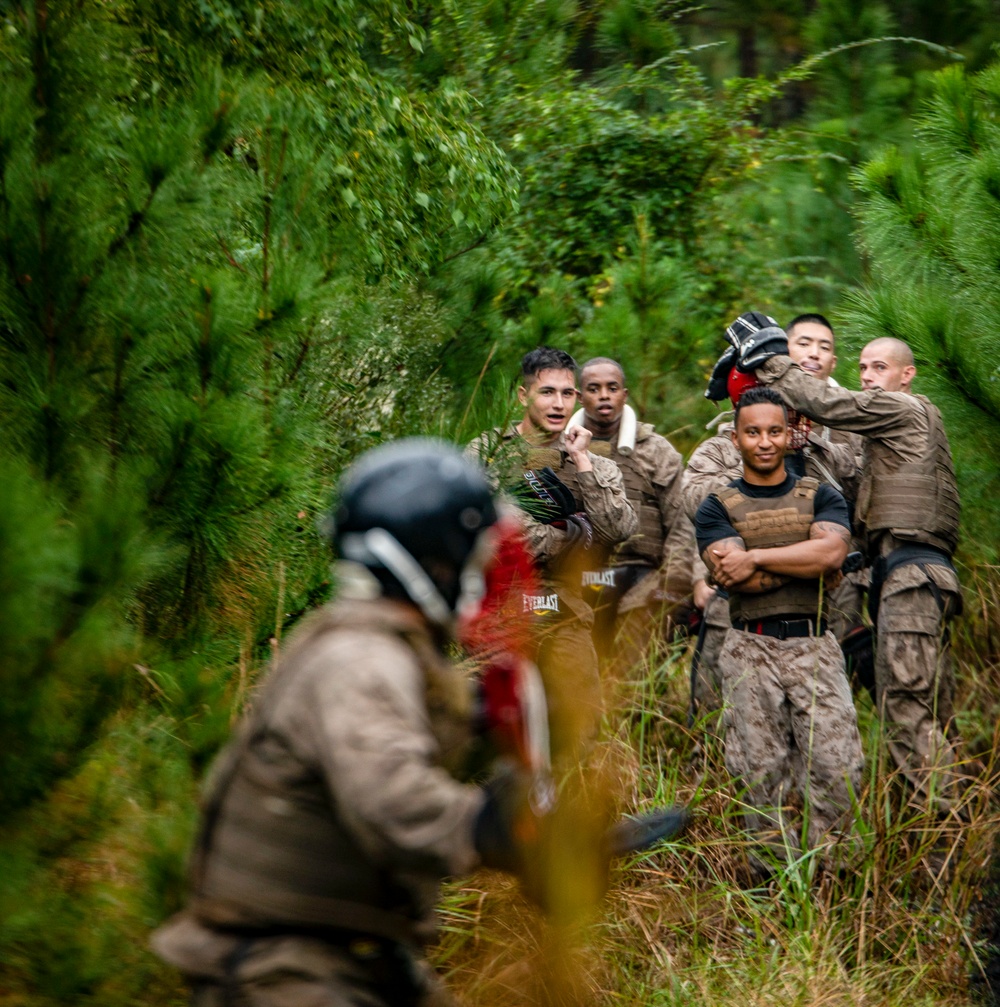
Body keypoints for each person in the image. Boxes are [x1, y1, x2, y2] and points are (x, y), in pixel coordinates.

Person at [150, 441, 555, 1007]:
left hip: (345, 955)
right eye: (475, 557)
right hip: (286, 972)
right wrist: (489, 830)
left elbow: (418, 731)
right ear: (436, 559)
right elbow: (388, 795)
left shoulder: (381, 648)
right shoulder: (361, 660)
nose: (484, 575)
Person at [723, 320, 964, 816]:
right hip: (902, 577)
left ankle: (942, 847)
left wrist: (769, 358)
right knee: (925, 707)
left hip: (912, 574)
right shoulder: (888, 440)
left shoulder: (906, 410)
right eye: (863, 368)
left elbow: (833, 404)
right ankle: (958, 831)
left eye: (881, 368)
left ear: (907, 375)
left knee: (905, 710)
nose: (869, 377)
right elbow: (845, 482)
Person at [694, 386, 864, 868]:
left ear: (790, 435)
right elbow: (734, 576)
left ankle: (832, 879)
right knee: (759, 772)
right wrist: (801, 559)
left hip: (815, 645)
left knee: (838, 768)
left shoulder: (821, 495)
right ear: (735, 438)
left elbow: (831, 553)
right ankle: (771, 885)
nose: (765, 441)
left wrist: (758, 555)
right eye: (753, 432)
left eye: (774, 431)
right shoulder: (717, 507)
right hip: (750, 649)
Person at [684, 312, 861, 719]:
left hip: (809, 613)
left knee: (813, 723)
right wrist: (756, 466)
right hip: (735, 608)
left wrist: (803, 450)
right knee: (717, 713)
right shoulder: (718, 450)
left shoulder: (821, 453)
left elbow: (843, 511)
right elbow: (694, 501)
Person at [466, 348, 637, 758]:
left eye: (566, 393)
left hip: (564, 605)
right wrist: (570, 538)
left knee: (578, 726)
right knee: (494, 728)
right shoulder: (486, 452)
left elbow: (620, 529)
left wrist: (581, 463)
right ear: (522, 396)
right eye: (546, 392)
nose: (558, 404)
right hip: (500, 605)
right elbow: (489, 531)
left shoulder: (593, 462)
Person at [566, 356, 698, 672]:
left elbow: (681, 522)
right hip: (579, 577)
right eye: (594, 389)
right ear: (580, 397)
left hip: (644, 576)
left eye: (612, 388)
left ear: (625, 394)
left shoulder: (656, 450)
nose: (604, 396)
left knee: (634, 672)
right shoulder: (559, 450)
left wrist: (671, 580)